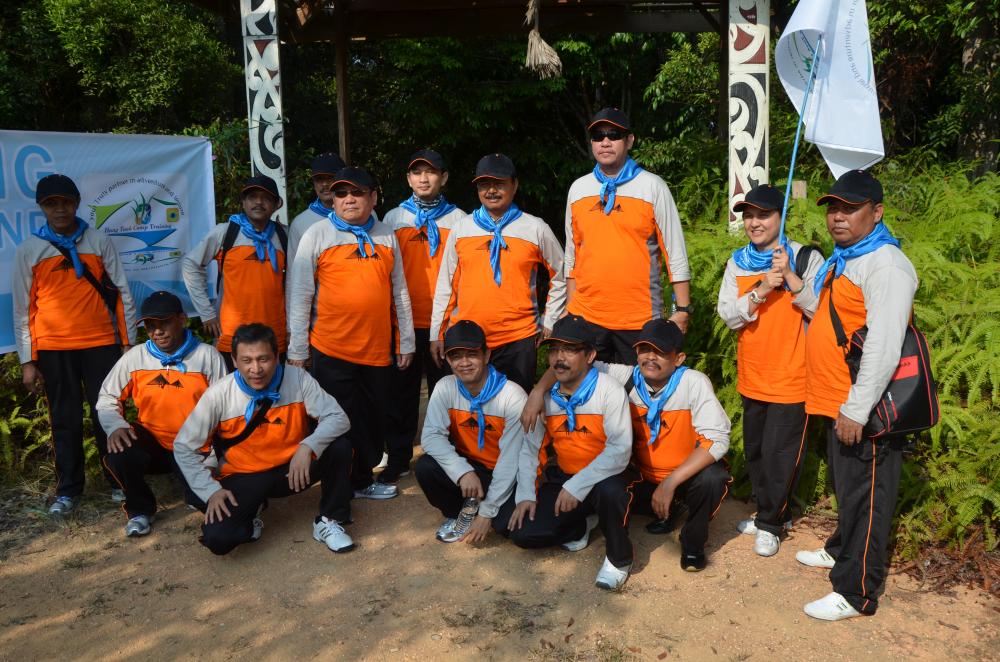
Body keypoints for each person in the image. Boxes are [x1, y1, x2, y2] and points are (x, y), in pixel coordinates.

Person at [797, 170, 918, 621]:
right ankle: (840, 549)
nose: (838, 216)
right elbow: (831, 315)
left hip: (864, 408)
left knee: (868, 496)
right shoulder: (846, 259)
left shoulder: (886, 265)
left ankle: (856, 591)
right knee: (848, 488)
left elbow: (885, 346)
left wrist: (856, 409)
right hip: (837, 400)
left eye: (850, 208)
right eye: (833, 208)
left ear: (877, 212)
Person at [523, 319, 732, 572]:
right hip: (640, 476)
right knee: (608, 486)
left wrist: (670, 482)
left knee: (713, 478)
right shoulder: (627, 377)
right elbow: (569, 364)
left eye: (660, 352)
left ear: (678, 358)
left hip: (683, 476)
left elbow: (718, 439)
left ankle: (692, 544)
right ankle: (657, 512)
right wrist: (538, 392)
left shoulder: (692, 382)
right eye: (644, 349)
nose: (650, 357)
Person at [287, 166, 415, 501]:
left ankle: (361, 480)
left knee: (372, 421)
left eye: (357, 192)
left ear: (373, 197)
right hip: (331, 349)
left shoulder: (386, 234)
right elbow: (300, 293)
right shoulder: (317, 234)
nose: (348, 199)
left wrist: (405, 341)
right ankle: (338, 489)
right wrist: (297, 348)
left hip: (376, 350)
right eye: (341, 193)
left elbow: (399, 290)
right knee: (336, 420)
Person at [13, 173, 137, 515]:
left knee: (107, 414)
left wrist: (128, 345)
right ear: (42, 208)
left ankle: (118, 481)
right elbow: (23, 309)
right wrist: (27, 360)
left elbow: (122, 293)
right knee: (64, 419)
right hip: (53, 348)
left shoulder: (98, 241)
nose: (60, 209)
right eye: (51, 204)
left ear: (77, 204)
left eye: (66, 202)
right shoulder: (30, 249)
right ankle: (68, 490)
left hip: (101, 344)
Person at [173, 323, 354, 555]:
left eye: (263, 359)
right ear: (234, 360)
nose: (256, 369)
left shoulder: (297, 378)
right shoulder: (218, 394)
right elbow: (183, 447)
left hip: (292, 470)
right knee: (219, 539)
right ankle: (253, 512)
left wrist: (308, 446)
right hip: (245, 476)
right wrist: (210, 491)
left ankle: (329, 519)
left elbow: (338, 417)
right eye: (246, 360)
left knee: (339, 447)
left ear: (277, 357)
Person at [716, 184, 823, 557]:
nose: (754, 222)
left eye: (764, 215)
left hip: (794, 375)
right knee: (758, 452)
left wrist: (791, 278)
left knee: (782, 454)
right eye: (749, 215)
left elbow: (822, 311)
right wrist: (762, 288)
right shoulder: (737, 263)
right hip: (753, 375)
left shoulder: (806, 258)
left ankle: (770, 524)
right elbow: (728, 316)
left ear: (782, 216)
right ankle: (771, 512)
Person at [497, 315, 634, 590]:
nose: (560, 358)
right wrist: (526, 494)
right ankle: (582, 523)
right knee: (514, 528)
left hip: (607, 476)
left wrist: (577, 486)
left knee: (610, 492)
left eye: (570, 350)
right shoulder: (546, 399)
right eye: (554, 350)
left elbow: (620, 451)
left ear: (590, 355)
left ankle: (619, 560)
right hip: (565, 477)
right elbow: (531, 449)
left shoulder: (609, 389)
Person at [563, 107, 691, 362]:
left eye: (614, 135)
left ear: (629, 140)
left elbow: (674, 251)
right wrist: (570, 309)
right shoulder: (578, 189)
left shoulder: (652, 186)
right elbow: (572, 255)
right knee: (589, 388)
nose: (605, 142)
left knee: (637, 387)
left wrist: (683, 309)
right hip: (587, 317)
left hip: (640, 319)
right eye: (598, 136)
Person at [429, 153, 565, 393]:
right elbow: (446, 285)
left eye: (499, 183)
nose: (491, 190)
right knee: (470, 410)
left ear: (515, 185)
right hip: (469, 339)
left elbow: (561, 274)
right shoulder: (462, 229)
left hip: (518, 338)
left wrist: (550, 319)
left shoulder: (535, 228)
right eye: (484, 184)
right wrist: (437, 333)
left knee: (517, 408)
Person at [96, 291, 228, 537]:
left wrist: (212, 460)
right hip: (153, 443)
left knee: (217, 511)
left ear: (182, 319)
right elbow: (107, 398)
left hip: (194, 447)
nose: (157, 331)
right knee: (119, 449)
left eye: (164, 322)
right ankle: (140, 510)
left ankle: (198, 492)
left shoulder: (207, 356)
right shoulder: (135, 357)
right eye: (150, 325)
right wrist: (115, 425)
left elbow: (226, 412)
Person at [383, 149, 466, 482]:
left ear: (443, 177)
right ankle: (399, 457)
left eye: (430, 172)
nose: (423, 178)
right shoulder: (394, 218)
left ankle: (447, 458)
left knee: (446, 393)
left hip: (444, 322)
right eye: (417, 172)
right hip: (404, 321)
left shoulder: (459, 219)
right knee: (400, 395)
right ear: (408, 179)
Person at [415, 320, 526, 543]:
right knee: (426, 467)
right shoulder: (445, 386)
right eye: (456, 356)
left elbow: (511, 460)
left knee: (511, 528)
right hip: (473, 469)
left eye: (472, 354)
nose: (464, 363)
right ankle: (459, 512)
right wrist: (462, 471)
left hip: (509, 472)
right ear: (447, 359)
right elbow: (431, 436)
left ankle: (482, 509)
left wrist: (488, 512)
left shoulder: (512, 396)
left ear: (486, 355)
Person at [182, 175, 288, 370]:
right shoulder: (225, 233)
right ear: (243, 202)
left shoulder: (284, 235)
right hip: (232, 333)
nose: (258, 202)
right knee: (232, 387)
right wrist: (206, 313)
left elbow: (296, 286)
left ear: (276, 204)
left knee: (275, 387)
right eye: (252, 197)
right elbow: (191, 264)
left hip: (275, 333)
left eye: (266, 198)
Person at [287, 152, 346, 266]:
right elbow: (293, 271)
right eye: (319, 179)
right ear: (313, 183)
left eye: (331, 178)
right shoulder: (300, 223)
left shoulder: (363, 215)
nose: (324, 184)